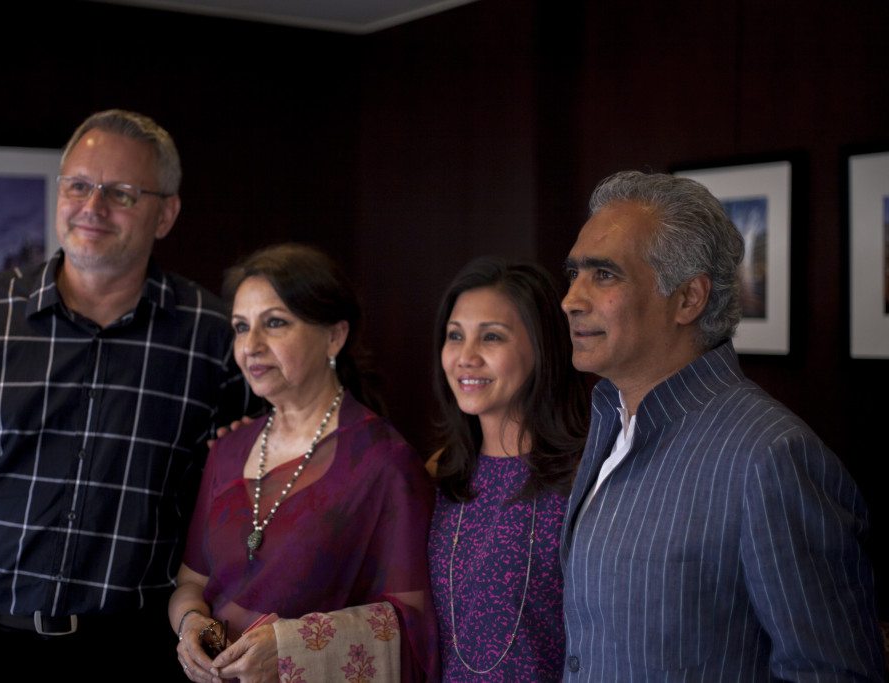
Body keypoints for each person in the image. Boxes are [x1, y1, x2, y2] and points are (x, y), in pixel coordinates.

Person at [0, 109, 253, 682]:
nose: (92, 207)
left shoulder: (213, 337)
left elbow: (249, 494)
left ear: (166, 214)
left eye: (122, 193)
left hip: (135, 650)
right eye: (78, 185)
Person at [560, 170, 884, 680]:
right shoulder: (609, 420)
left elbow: (832, 671)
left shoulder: (771, 456)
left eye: (604, 275)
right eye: (574, 273)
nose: (571, 299)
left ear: (689, 298)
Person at [169, 243, 439, 683]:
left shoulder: (383, 463)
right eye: (241, 327)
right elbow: (191, 583)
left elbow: (414, 626)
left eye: (274, 323)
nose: (251, 346)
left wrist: (294, 650)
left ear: (334, 335)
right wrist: (189, 624)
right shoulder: (229, 449)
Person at [427, 257, 588, 681]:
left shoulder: (585, 477)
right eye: (454, 336)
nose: (465, 357)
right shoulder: (438, 475)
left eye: (492, 337)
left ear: (542, 347)